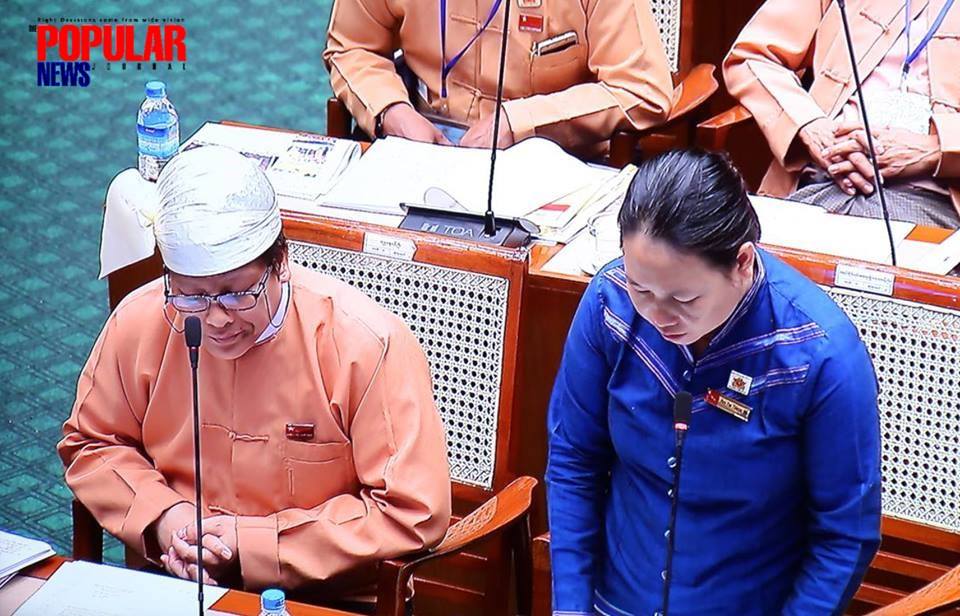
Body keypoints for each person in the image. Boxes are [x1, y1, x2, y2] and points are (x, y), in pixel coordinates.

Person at [58, 146, 451, 611]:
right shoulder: (140, 322)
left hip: (323, 597)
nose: (216, 318)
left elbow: (412, 511)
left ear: (280, 263)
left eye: (235, 293)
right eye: (192, 296)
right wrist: (166, 518)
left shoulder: (364, 346)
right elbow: (91, 444)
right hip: (176, 576)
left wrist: (252, 544)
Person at [546, 149, 881, 615]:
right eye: (641, 287)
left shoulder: (819, 354)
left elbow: (845, 535)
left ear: (742, 262)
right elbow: (573, 459)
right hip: (615, 602)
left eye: (684, 298)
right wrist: (570, 607)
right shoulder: (610, 302)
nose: (657, 315)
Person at [323, 0, 673, 155]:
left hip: (553, 157)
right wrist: (393, 112)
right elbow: (352, 46)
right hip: (420, 145)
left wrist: (521, 121)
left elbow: (642, 89)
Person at [723, 0, 960, 228]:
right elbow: (752, 56)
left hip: (935, 200)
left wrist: (933, 151)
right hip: (819, 181)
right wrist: (810, 126)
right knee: (750, 247)